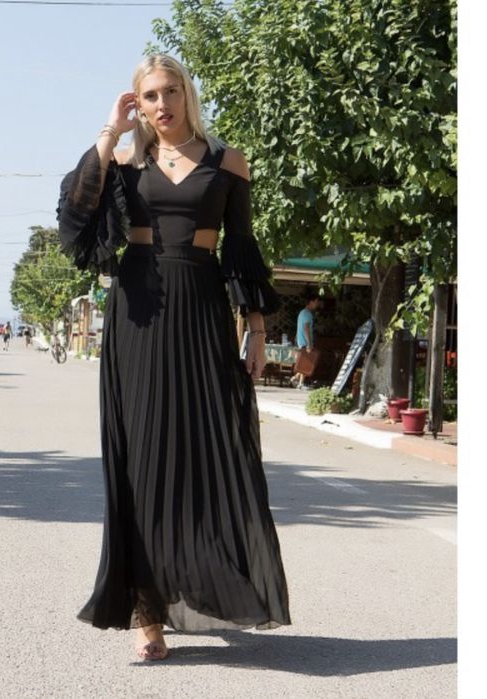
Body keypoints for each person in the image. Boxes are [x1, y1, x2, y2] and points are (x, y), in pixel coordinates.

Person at [57, 54, 291, 661]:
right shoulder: (124, 160)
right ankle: (147, 615)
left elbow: (241, 249)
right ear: (139, 103)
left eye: (171, 92)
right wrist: (110, 131)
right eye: (150, 96)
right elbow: (75, 215)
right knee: (142, 461)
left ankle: (203, 576)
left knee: (207, 453)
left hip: (203, 311)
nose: (162, 104)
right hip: (138, 312)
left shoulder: (227, 161)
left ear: (187, 94)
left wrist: (256, 328)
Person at [291, 292, 321, 389]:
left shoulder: (302, 313)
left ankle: (296, 379)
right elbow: (306, 328)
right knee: (305, 362)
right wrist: (309, 343)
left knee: (303, 362)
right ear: (311, 302)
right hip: (304, 342)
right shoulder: (307, 314)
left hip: (300, 341)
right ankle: (300, 383)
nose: (317, 304)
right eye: (316, 302)